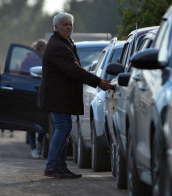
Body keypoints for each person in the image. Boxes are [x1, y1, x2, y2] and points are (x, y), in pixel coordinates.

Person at [37, 13, 114, 179]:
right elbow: (73, 69)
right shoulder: (58, 46)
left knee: (64, 128)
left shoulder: (64, 42)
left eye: (70, 25)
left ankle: (60, 167)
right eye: (64, 24)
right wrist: (98, 81)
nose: (68, 27)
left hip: (61, 96)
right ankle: (52, 167)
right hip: (57, 96)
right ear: (56, 27)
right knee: (63, 128)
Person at [25, 39, 47, 158]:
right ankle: (35, 146)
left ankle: (35, 146)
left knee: (34, 121)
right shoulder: (29, 60)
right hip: (35, 93)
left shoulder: (46, 59)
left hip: (34, 93)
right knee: (38, 121)